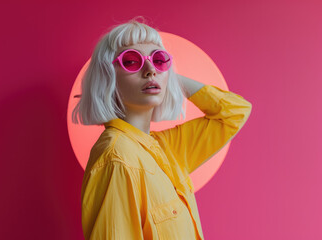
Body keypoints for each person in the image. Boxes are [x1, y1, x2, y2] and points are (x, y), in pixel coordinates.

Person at [72, 17, 252, 240]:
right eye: (131, 62)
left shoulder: (167, 148)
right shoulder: (117, 157)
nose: (150, 70)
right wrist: (159, 74)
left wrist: (167, 77)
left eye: (159, 60)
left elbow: (235, 112)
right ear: (107, 77)